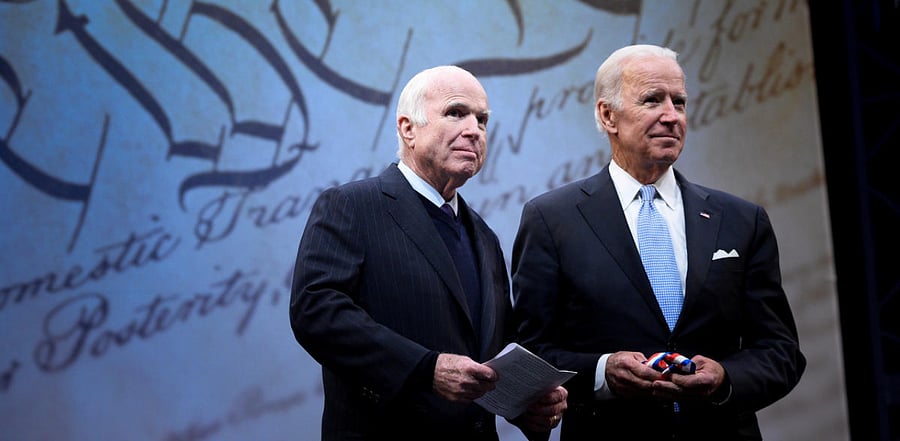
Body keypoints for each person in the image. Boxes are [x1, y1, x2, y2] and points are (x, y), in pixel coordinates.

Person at [510, 45, 806, 440]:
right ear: (607, 115)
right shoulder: (551, 219)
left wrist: (724, 378)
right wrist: (602, 371)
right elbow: (532, 354)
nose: (671, 116)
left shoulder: (741, 220)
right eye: (652, 100)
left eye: (679, 102)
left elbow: (779, 350)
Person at [290, 65, 567, 441]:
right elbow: (316, 311)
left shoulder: (485, 237)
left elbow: (495, 350)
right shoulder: (353, 205)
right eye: (456, 113)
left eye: (482, 120)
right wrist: (425, 369)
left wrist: (526, 404)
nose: (474, 130)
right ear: (408, 128)